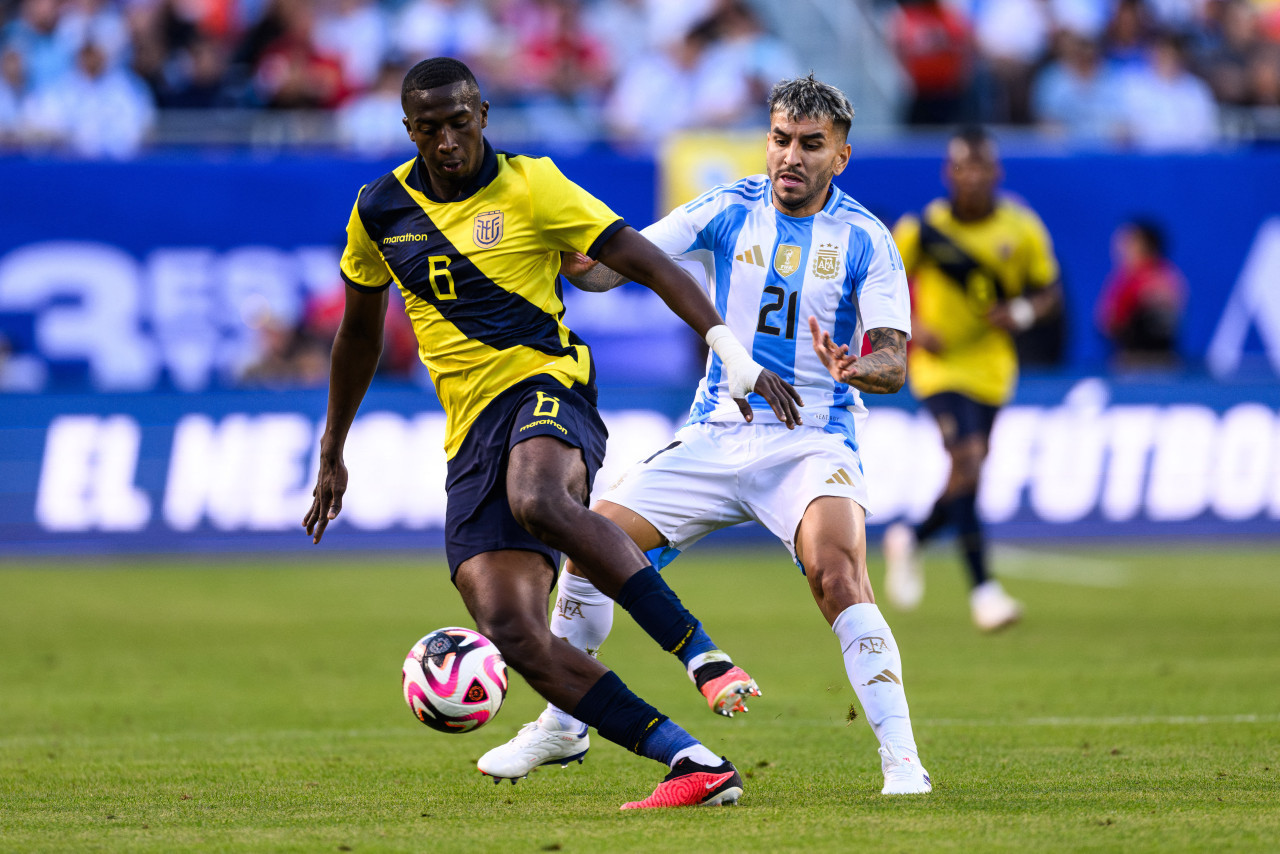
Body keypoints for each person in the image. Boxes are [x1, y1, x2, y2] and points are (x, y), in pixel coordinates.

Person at [303, 57, 805, 810]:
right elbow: (359, 337)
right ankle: (694, 762)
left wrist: (725, 345)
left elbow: (642, 258)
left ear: (484, 117)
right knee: (512, 629)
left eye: (460, 123)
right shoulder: (377, 211)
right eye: (429, 128)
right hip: (469, 431)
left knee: (539, 497)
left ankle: (698, 651)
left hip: (549, 384)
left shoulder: (533, 183)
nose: (447, 142)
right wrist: (332, 448)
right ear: (409, 130)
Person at [478, 73, 932, 797]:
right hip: (718, 430)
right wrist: (572, 256)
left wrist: (859, 364)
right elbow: (609, 272)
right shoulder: (727, 209)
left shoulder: (866, 240)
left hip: (812, 440)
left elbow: (893, 360)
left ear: (839, 156)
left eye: (811, 145)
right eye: (781, 140)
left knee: (838, 575)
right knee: (591, 544)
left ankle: (903, 762)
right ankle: (564, 728)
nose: (791, 157)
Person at [883, 126, 1061, 632]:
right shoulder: (925, 230)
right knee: (968, 457)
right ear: (949, 173)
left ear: (996, 173)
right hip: (938, 367)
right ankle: (984, 592)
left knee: (971, 470)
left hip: (991, 366)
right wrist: (914, 328)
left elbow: (1049, 292)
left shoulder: (1020, 228)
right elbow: (881, 283)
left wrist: (1022, 313)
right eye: (963, 168)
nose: (973, 178)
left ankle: (914, 537)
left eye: (982, 168)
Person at [1096, 218, 1186, 369]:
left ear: (1145, 246)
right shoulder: (1172, 277)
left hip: (1132, 364)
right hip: (1168, 363)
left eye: (1128, 242)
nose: (1120, 248)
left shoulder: (1132, 282)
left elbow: (1109, 323)